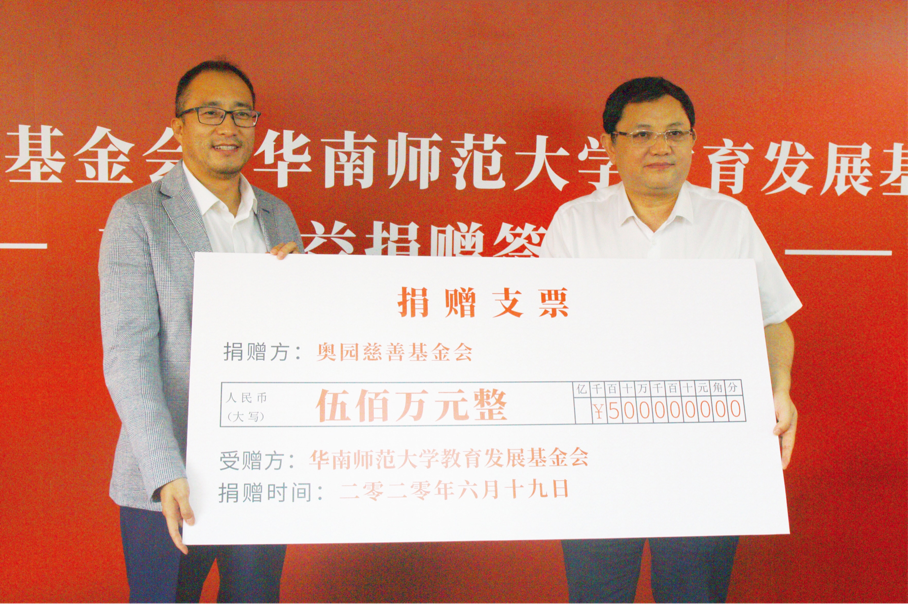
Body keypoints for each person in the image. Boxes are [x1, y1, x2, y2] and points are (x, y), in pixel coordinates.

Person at [541, 77, 800, 603]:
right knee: (596, 593)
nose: (660, 147)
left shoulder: (729, 220)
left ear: (693, 141)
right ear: (610, 144)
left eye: (675, 133)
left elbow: (772, 320)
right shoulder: (575, 223)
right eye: (641, 134)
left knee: (694, 593)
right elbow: (544, 330)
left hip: (705, 448)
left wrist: (780, 389)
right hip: (601, 447)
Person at [99, 60, 302, 604]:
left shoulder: (277, 215)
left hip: (259, 469)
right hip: (172, 481)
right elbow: (128, 356)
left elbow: (292, 344)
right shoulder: (138, 215)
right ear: (178, 126)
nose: (228, 127)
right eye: (210, 113)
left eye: (242, 114)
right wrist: (164, 470)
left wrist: (300, 290)